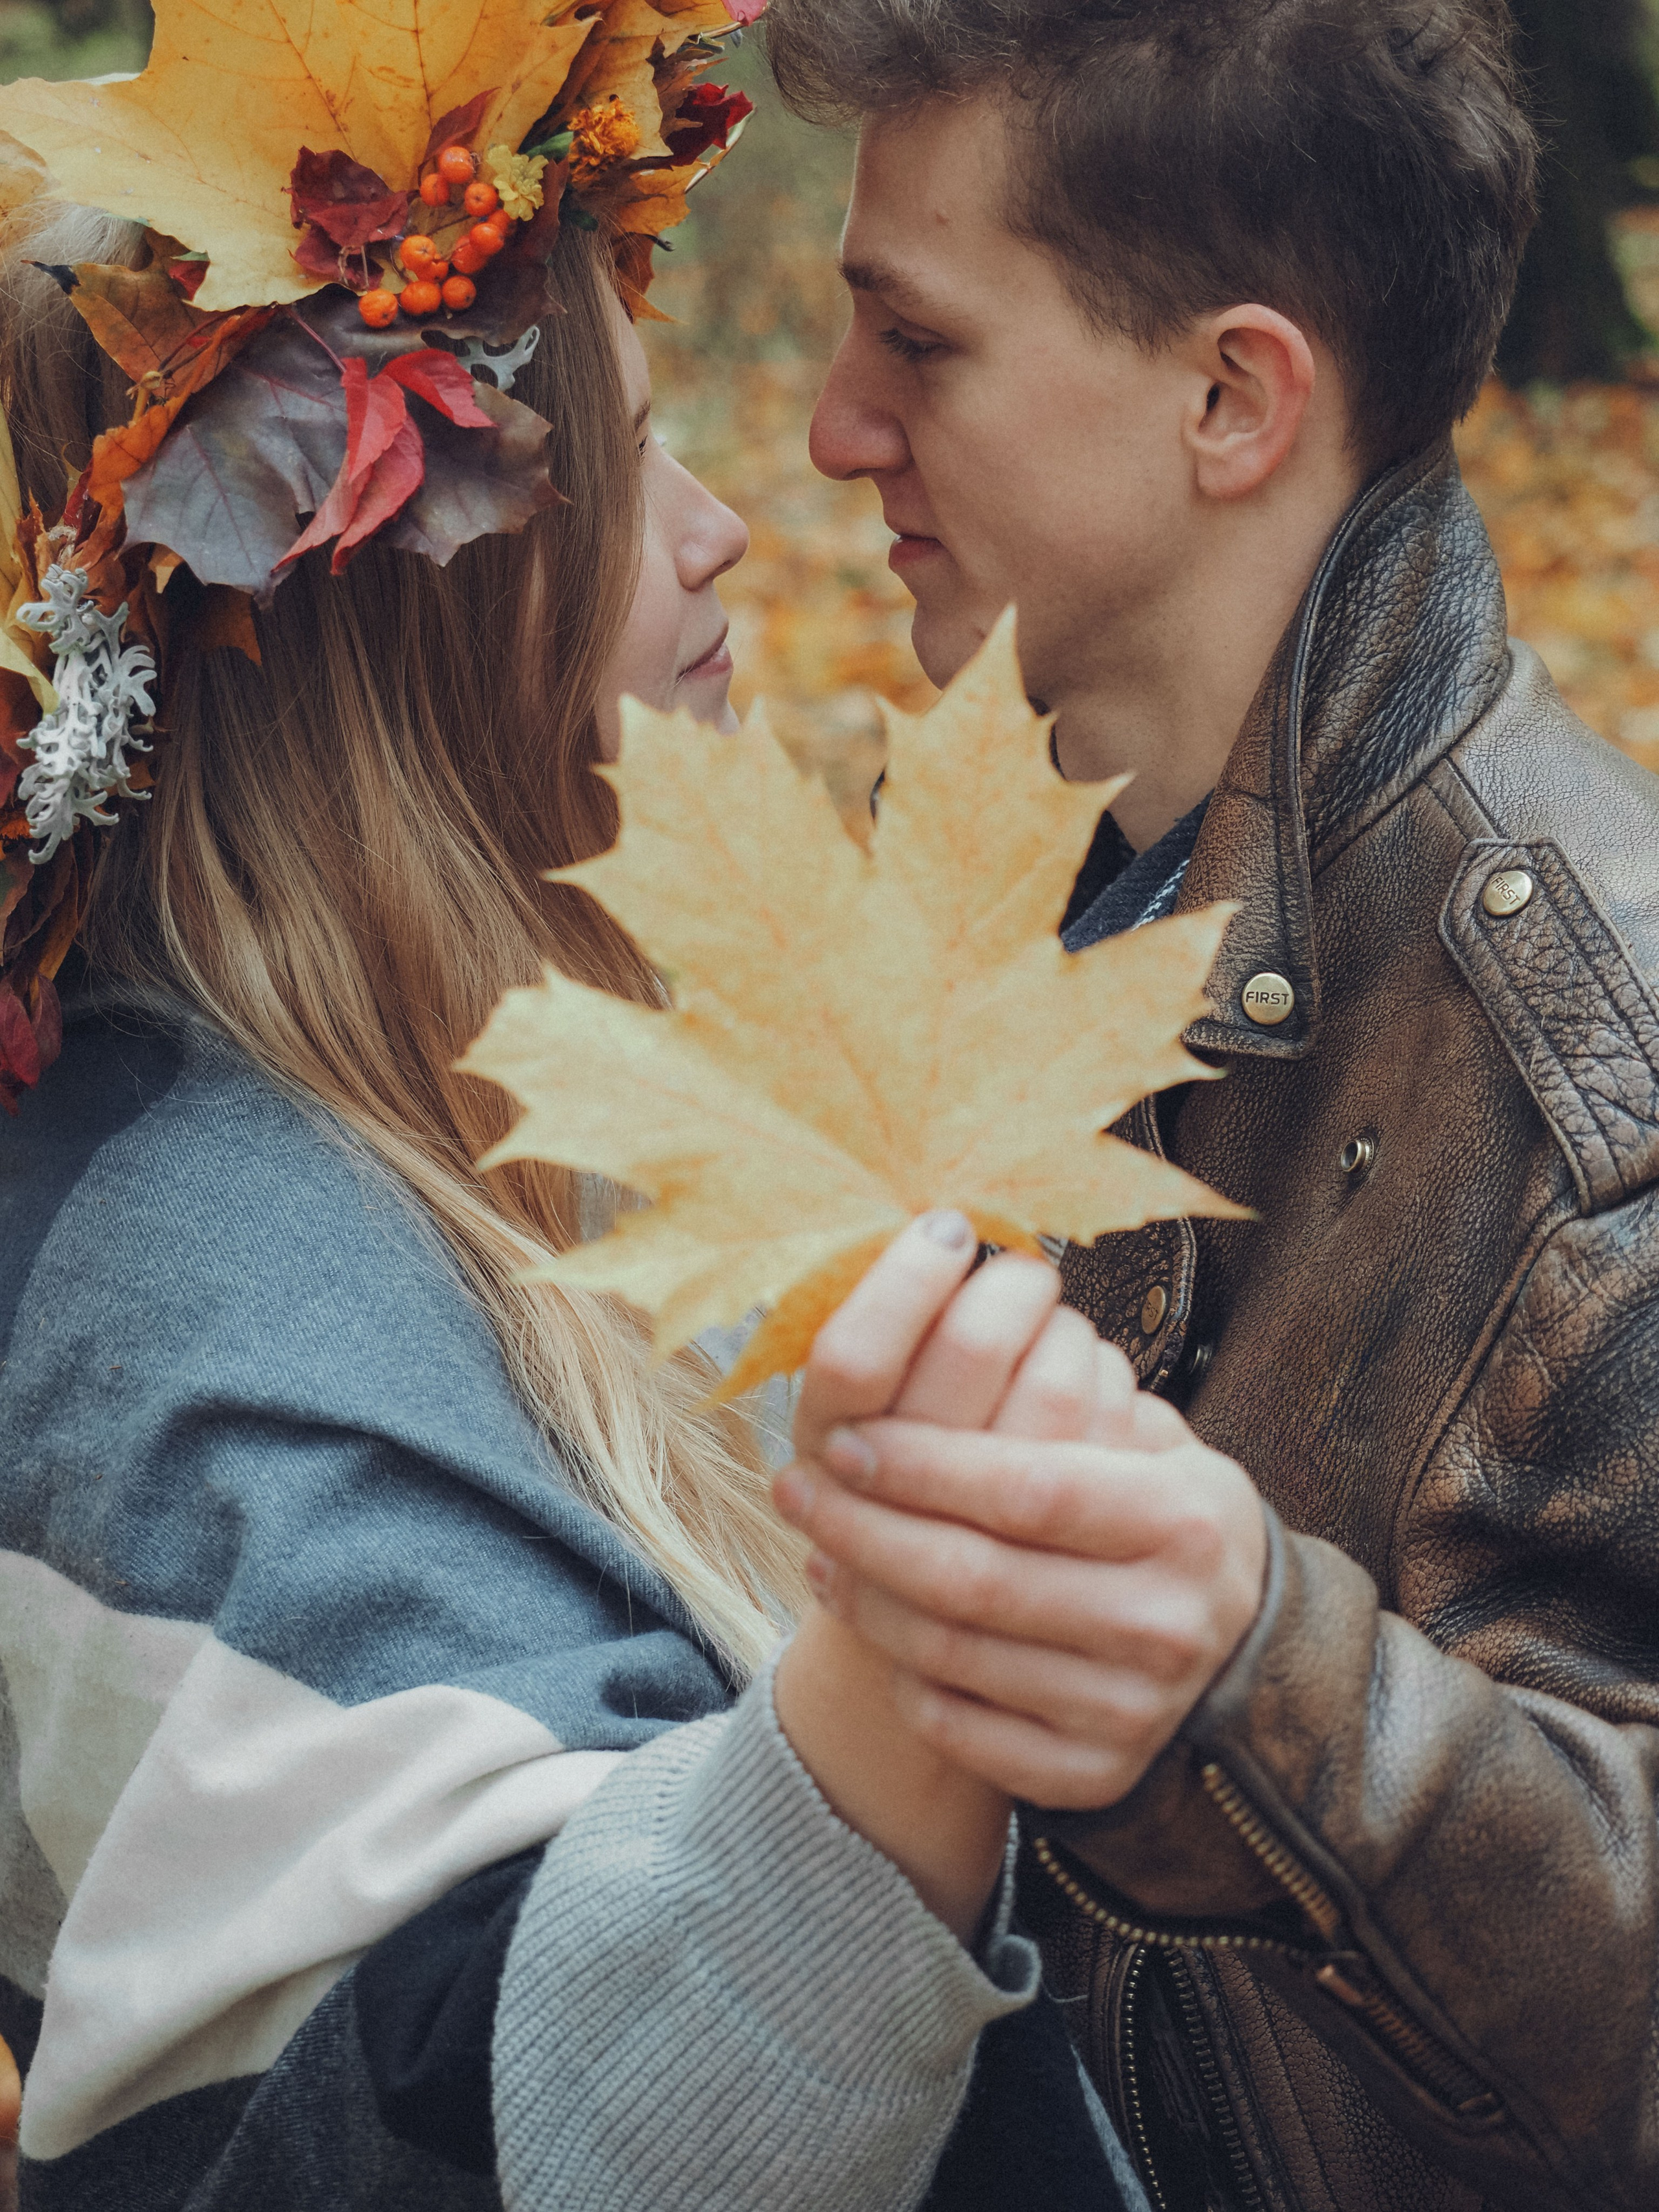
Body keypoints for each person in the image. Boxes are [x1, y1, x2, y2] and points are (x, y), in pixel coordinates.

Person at [0, 19, 1235, 2207]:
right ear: (392, 594)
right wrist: (921, 1662)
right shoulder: (208, 1315)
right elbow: (533, 2125)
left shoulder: (501, 1120)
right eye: (634, 471)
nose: (729, 533)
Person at [758, 0, 1659, 2206]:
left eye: (921, 344)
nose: (827, 429)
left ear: (1232, 397)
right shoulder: (973, 864)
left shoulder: (1599, 1075)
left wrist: (1266, 1681)